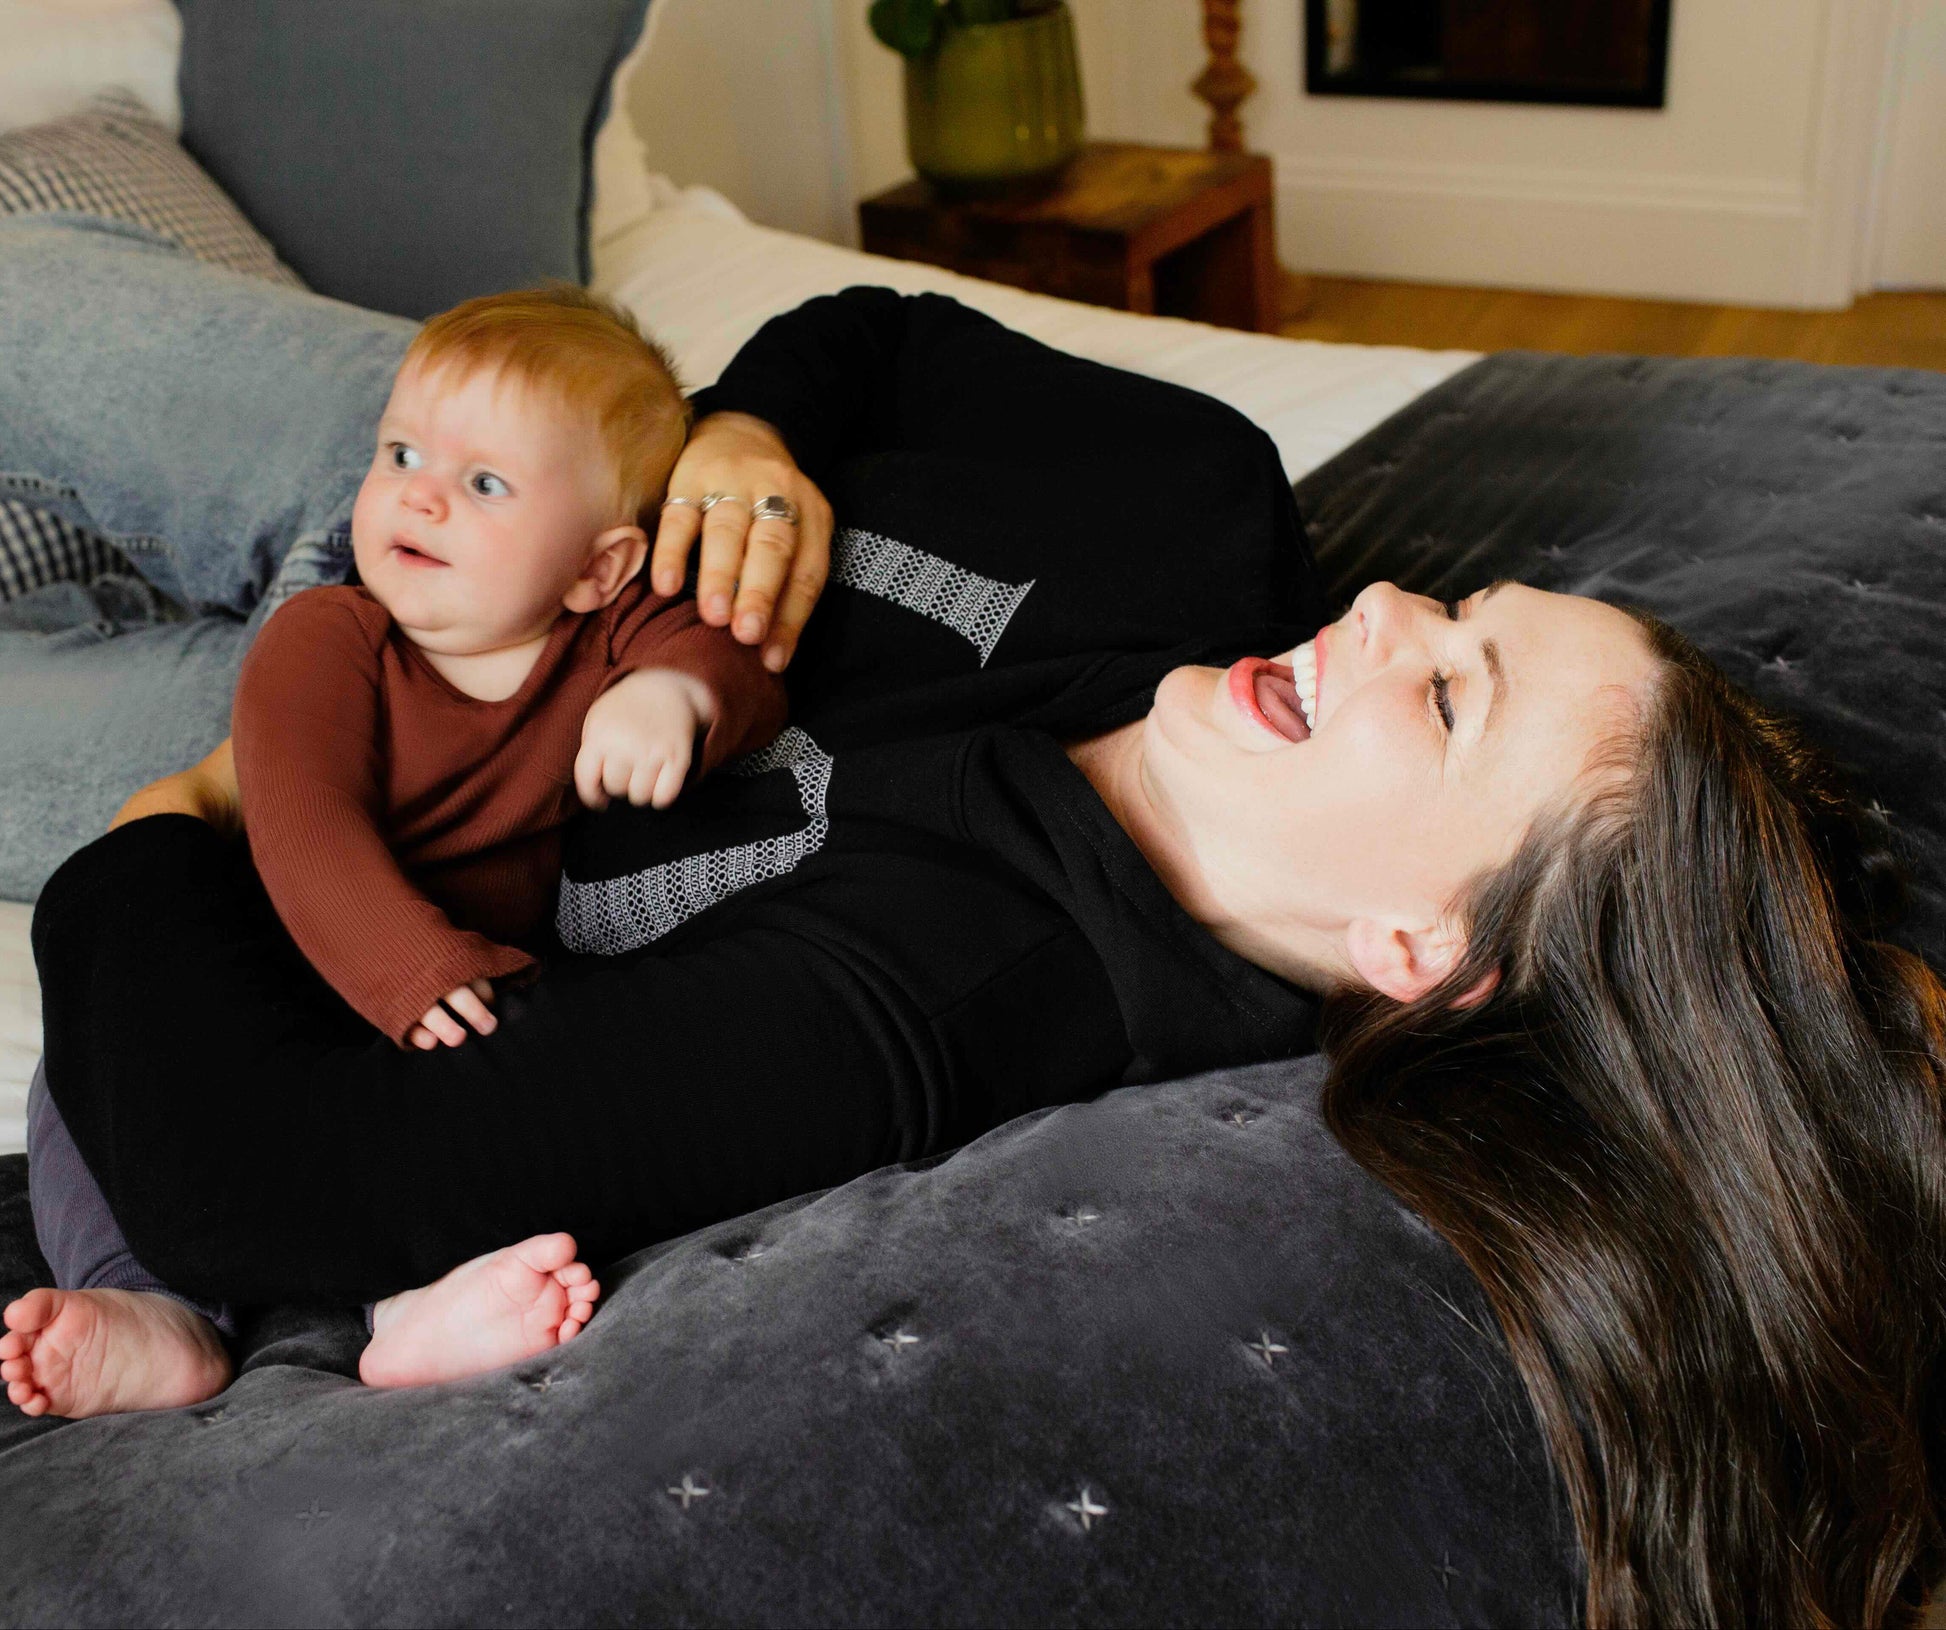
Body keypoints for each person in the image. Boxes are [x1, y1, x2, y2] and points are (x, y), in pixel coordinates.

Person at [1, 268, 1941, 1627]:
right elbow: (883, 338)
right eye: (1450, 606)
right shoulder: (1191, 510)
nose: (1375, 614)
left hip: (293, 799)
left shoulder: (942, 986)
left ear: (1419, 946)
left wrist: (156, 833)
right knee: (67, 303)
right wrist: (751, 434)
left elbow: (269, 1173)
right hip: (530, 492)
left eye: (1443, 700)